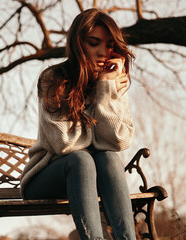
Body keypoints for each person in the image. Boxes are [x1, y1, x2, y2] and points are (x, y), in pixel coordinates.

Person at [20, 8, 136, 240]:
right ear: (78, 44)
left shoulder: (112, 83)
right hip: (47, 176)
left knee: (109, 157)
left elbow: (119, 141)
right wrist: (96, 133)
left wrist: (104, 88)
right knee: (81, 159)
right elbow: (65, 144)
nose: (104, 52)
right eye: (94, 43)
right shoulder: (54, 79)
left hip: (92, 175)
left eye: (110, 45)